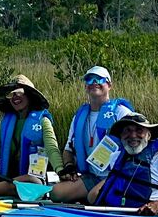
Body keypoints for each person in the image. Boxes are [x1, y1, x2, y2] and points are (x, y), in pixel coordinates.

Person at [51, 66, 135, 203]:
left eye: (99, 79)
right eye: (89, 80)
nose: (94, 83)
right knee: (56, 193)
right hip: (92, 175)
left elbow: (137, 142)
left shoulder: (121, 113)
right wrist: (69, 166)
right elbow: (68, 149)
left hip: (116, 174)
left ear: (109, 85)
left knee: (93, 196)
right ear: (86, 86)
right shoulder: (79, 116)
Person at [87, 113, 158, 215]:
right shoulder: (115, 157)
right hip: (114, 214)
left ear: (148, 136)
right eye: (127, 130)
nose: (133, 135)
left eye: (139, 130)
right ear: (121, 136)